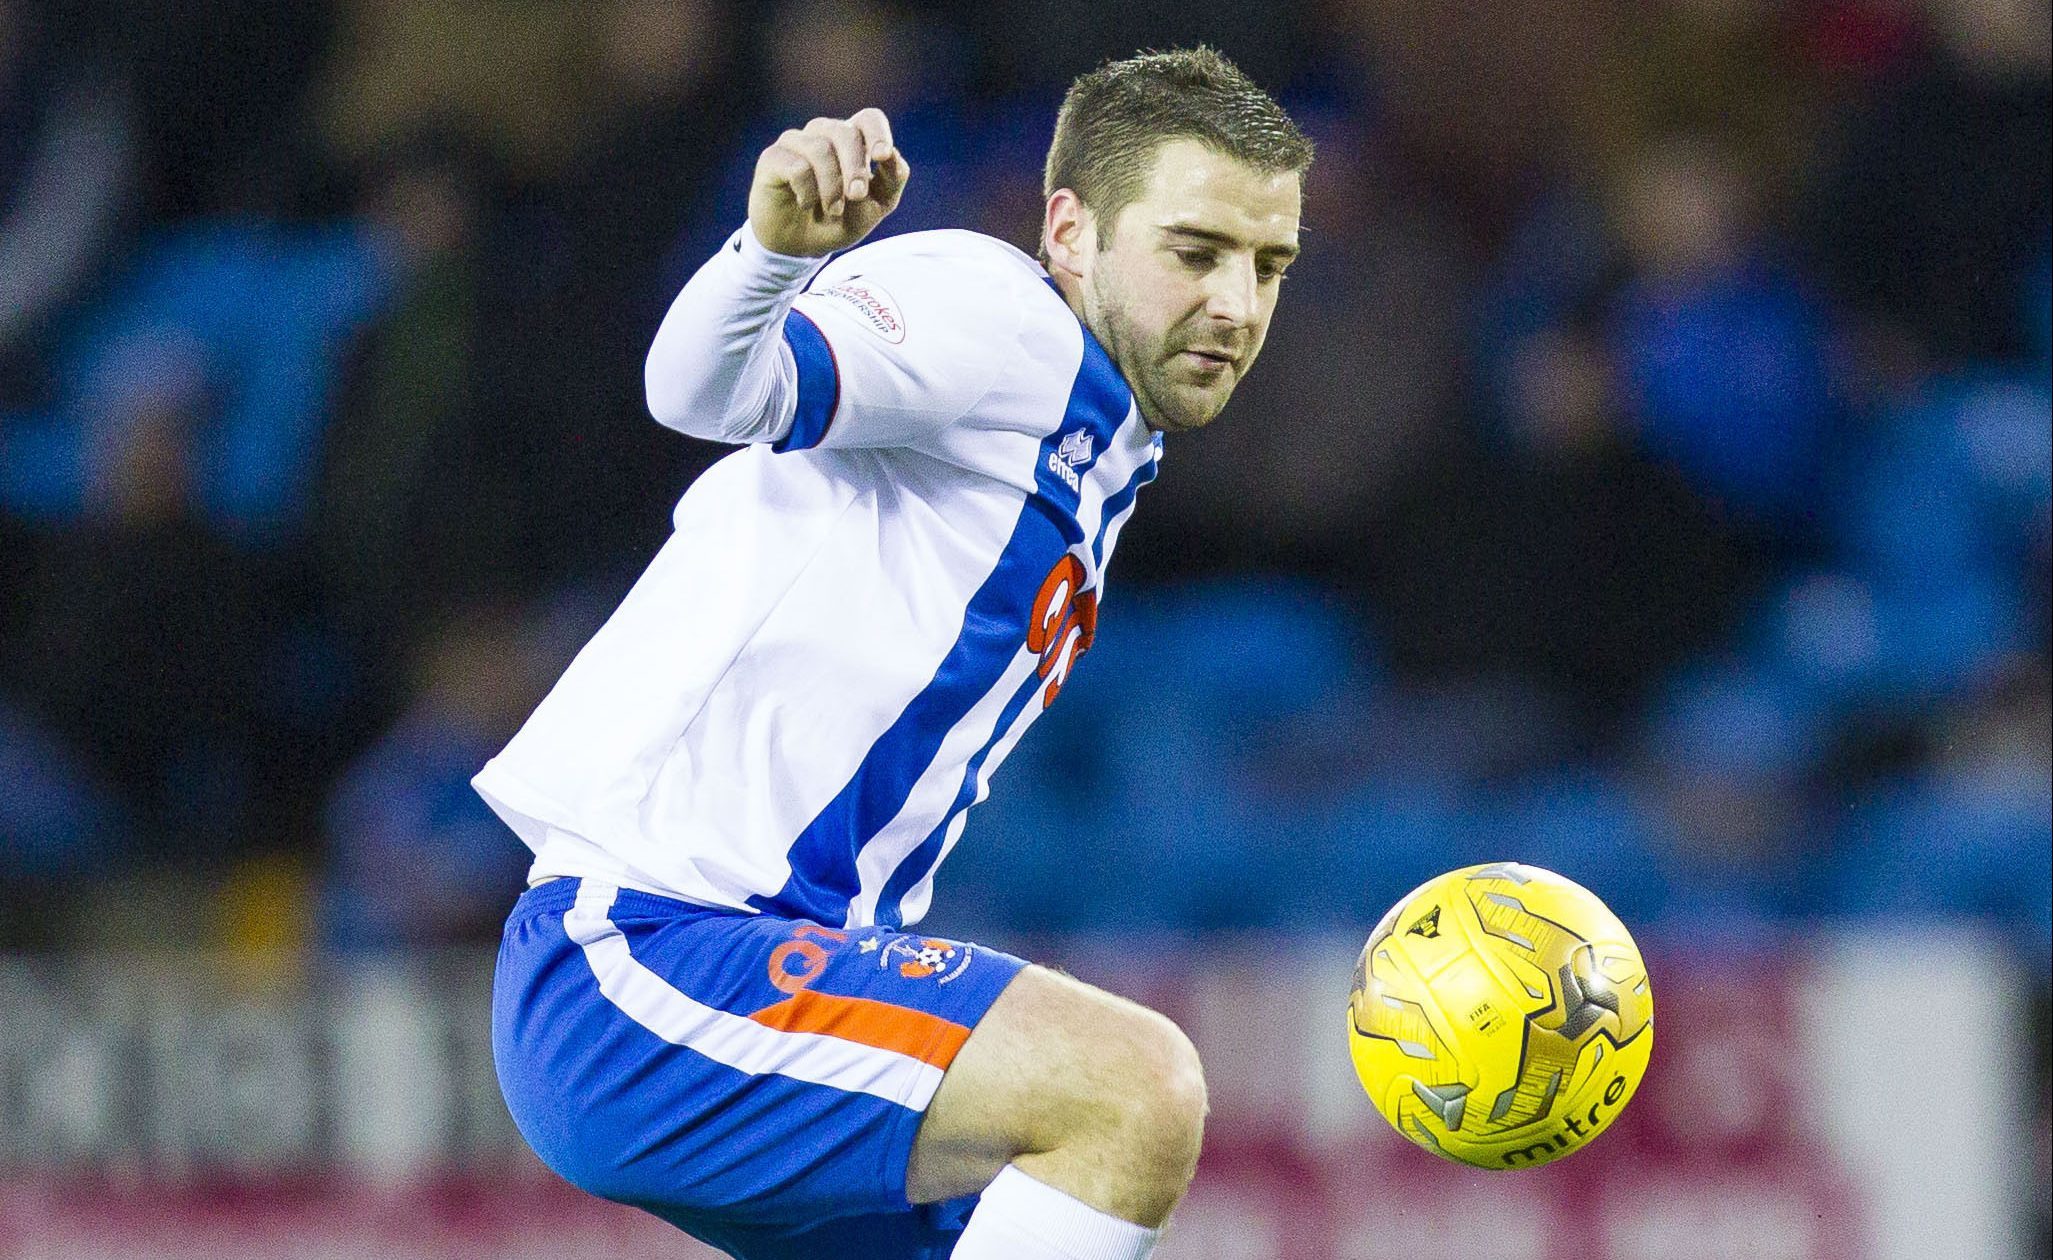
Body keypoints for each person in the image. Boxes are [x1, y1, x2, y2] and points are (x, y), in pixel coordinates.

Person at [481, 47, 1310, 1260]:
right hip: (645, 959)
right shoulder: (998, 313)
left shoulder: (1101, 441)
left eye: (1268, 265)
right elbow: (701, 391)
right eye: (1195, 252)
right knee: (1129, 1091)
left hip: (763, 968)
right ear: (1070, 232)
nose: (1238, 304)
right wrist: (773, 255)